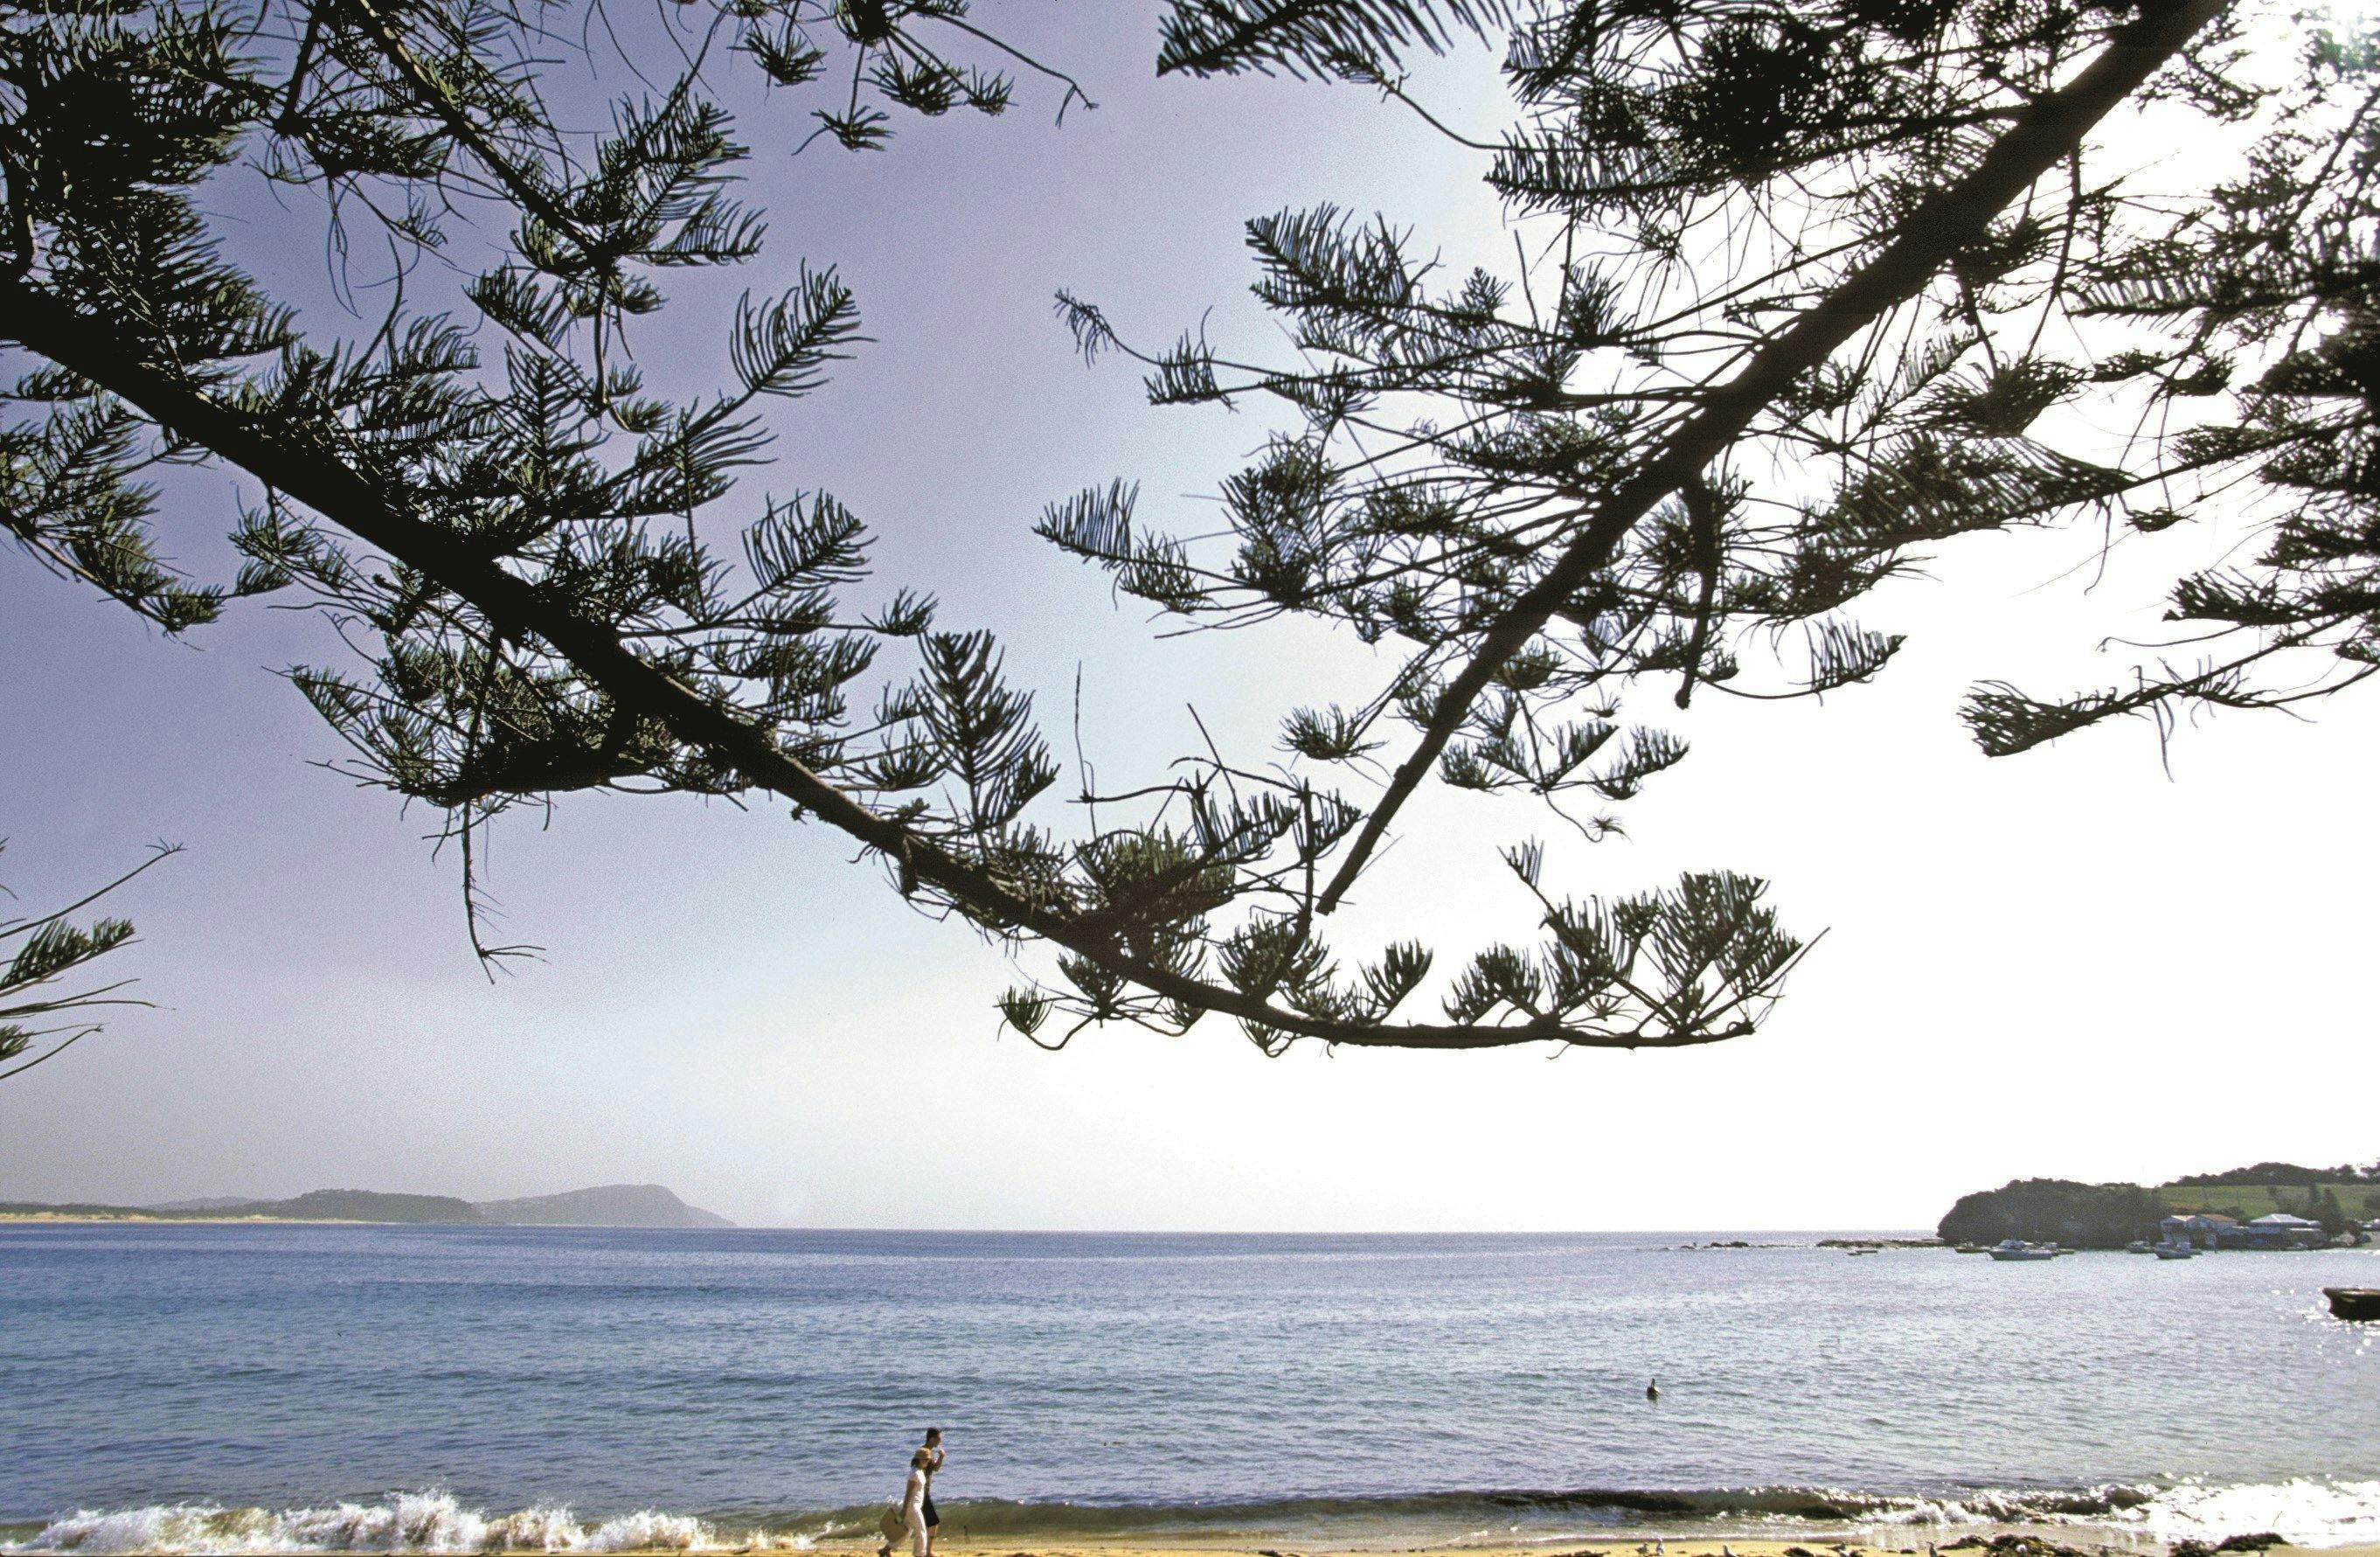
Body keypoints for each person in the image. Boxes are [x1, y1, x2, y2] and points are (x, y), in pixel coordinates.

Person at [879, 1449, 932, 1557]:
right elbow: (908, 1492)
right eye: (926, 1460)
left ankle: (885, 1550)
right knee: (921, 1532)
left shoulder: (919, 1470)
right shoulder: (914, 1473)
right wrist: (904, 1510)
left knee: (907, 1532)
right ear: (920, 1460)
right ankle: (919, 1555)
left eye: (928, 1460)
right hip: (912, 1507)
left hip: (914, 1506)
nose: (928, 1462)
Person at [919, 1428, 945, 1554]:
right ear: (931, 1439)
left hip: (924, 1492)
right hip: (922, 1493)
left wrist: (941, 1457)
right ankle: (929, 1552)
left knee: (913, 1525)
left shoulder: (929, 1452)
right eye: (939, 1439)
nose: (940, 1441)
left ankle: (886, 1548)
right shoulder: (924, 1453)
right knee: (934, 1522)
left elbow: (935, 1469)